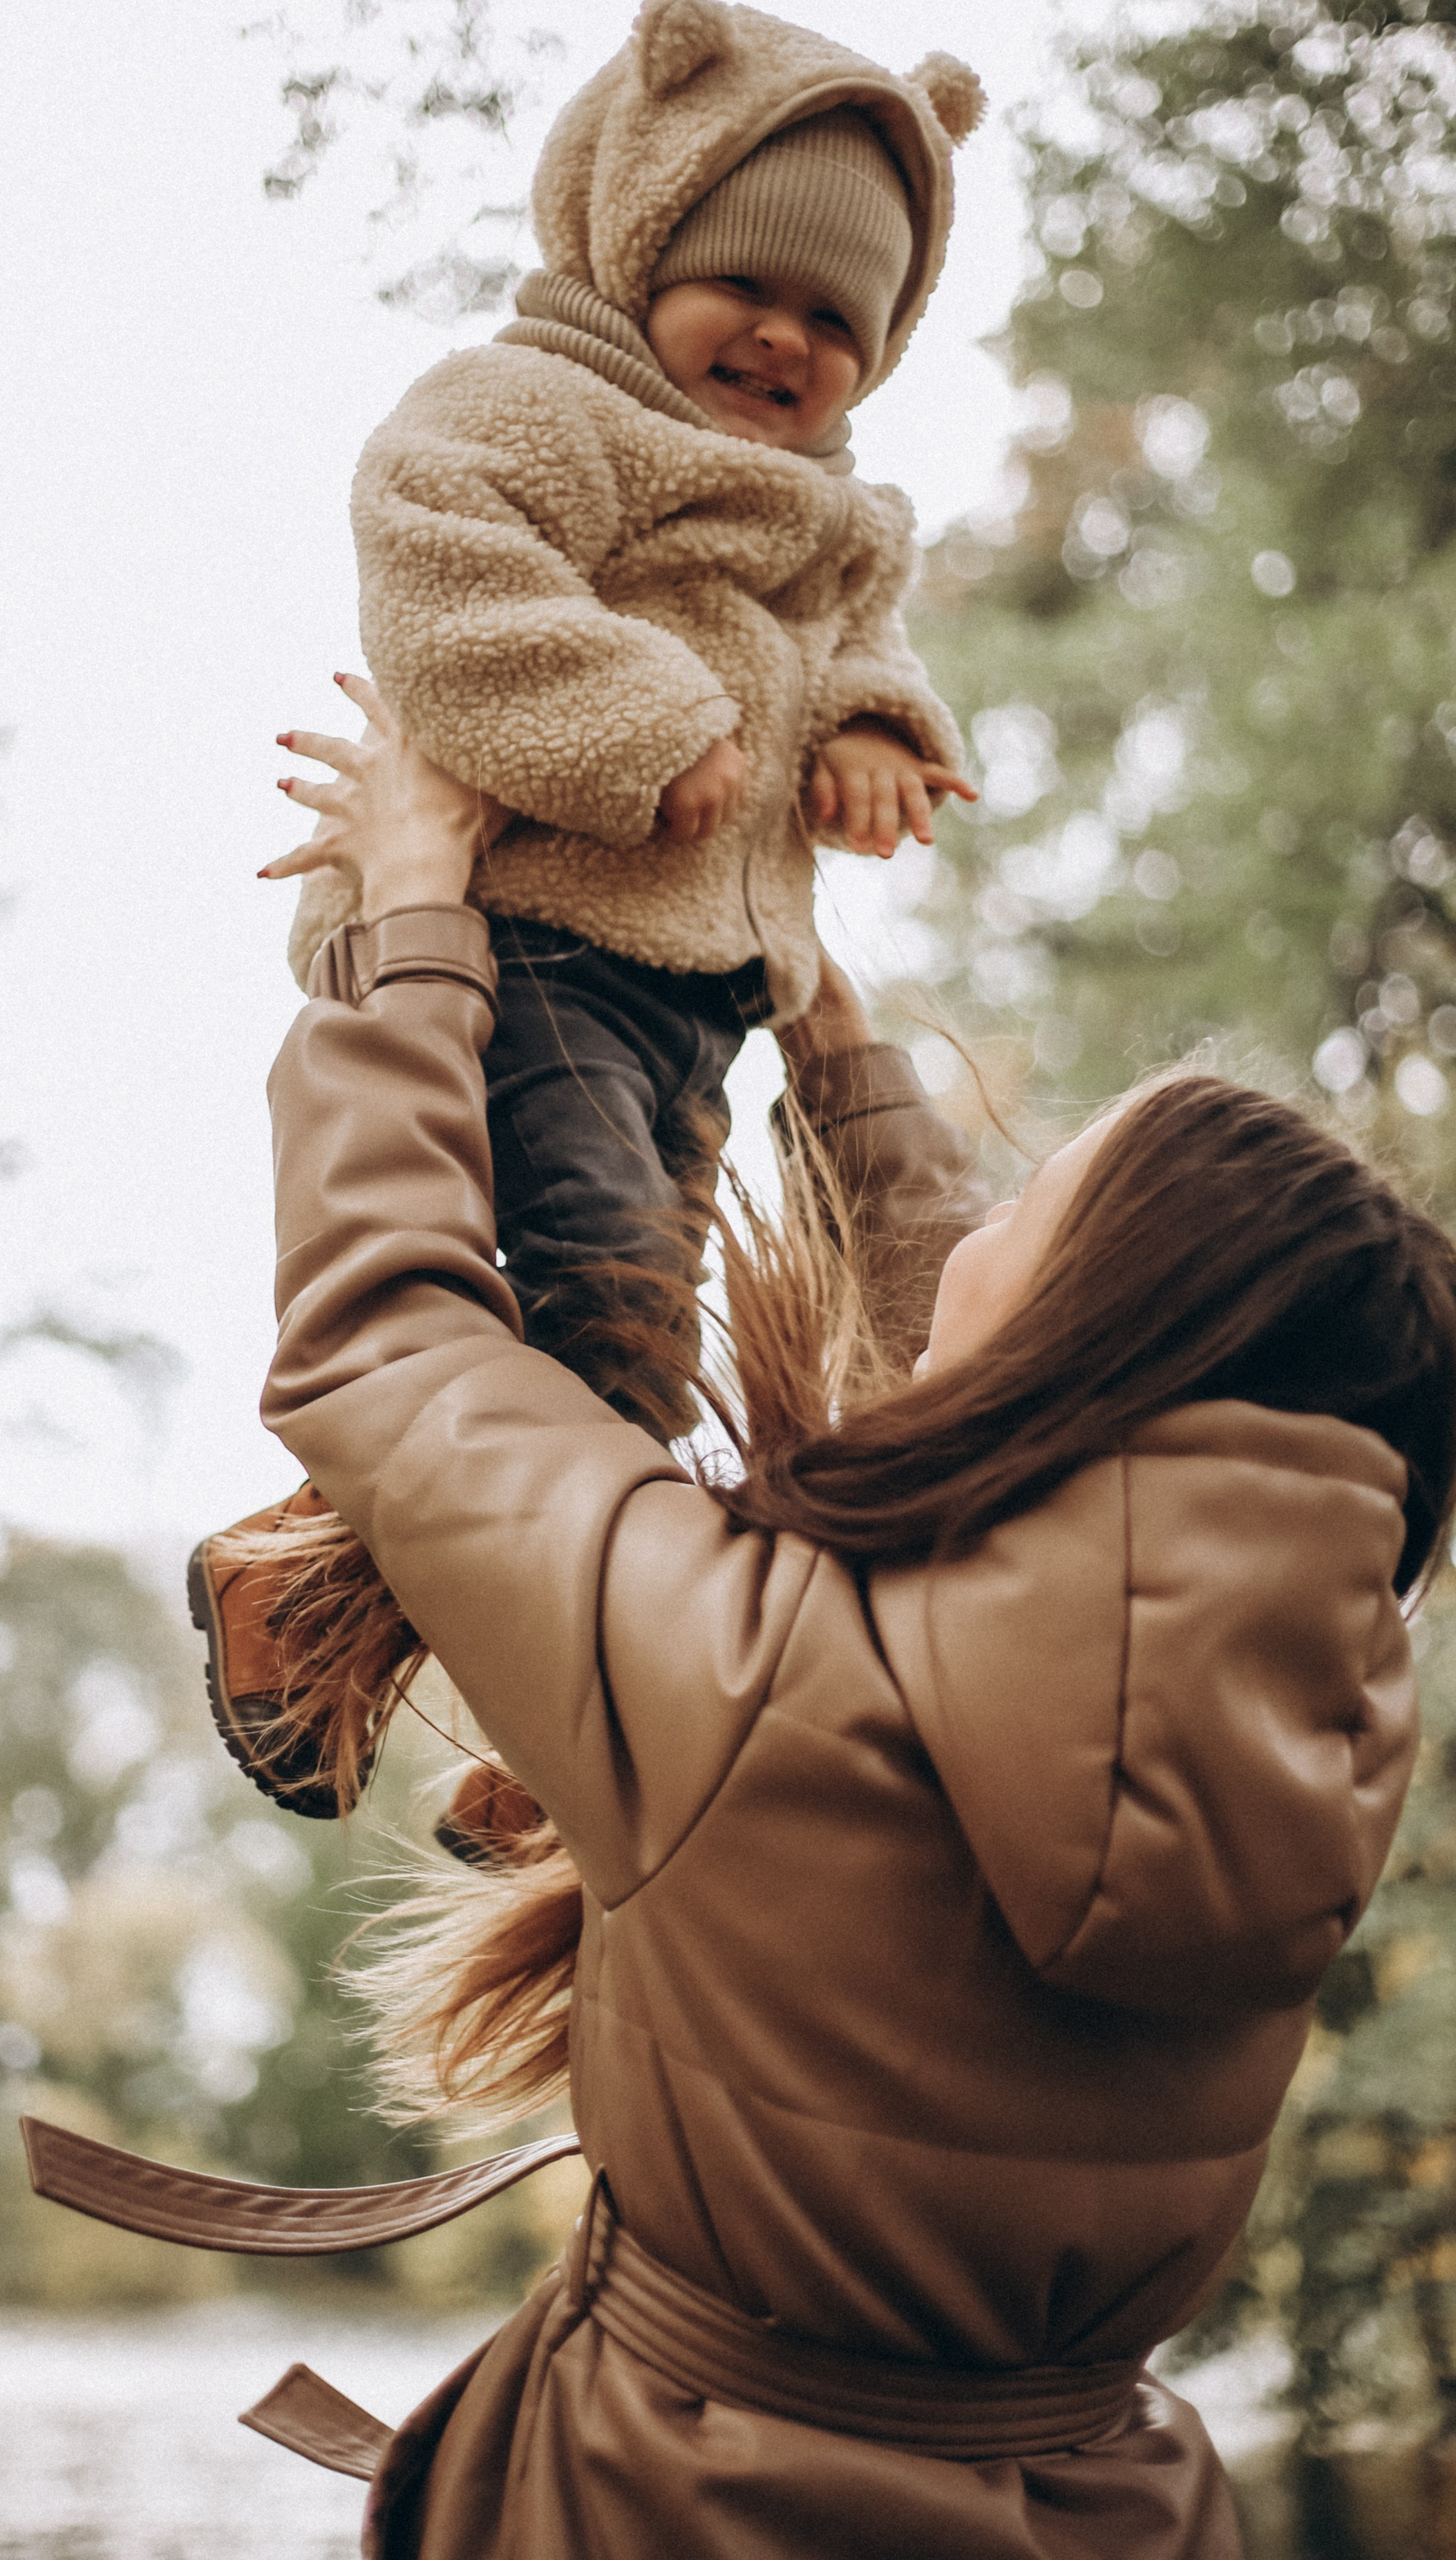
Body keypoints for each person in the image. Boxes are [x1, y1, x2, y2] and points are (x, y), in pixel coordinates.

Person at [240, 689, 1456, 2558]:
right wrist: (823, 1019)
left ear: (1089, 1335)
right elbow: (1059, 1476)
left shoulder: (744, 1676)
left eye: (1035, 1201)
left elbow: (389, 1338)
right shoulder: (1319, 1758)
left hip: (668, 2508)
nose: (976, 1223)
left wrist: (412, 913)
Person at [195, 0, 985, 1798]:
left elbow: (871, 653)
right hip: (529, 931)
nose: (786, 341)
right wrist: (642, 721)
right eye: (748, 288)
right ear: (638, 243)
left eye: (835, 320)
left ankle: (377, 1628)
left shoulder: (843, 517)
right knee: (611, 1317)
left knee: (624, 1347)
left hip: (695, 990)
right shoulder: (537, 406)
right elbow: (438, 560)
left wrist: (868, 733)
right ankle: (515, 1693)